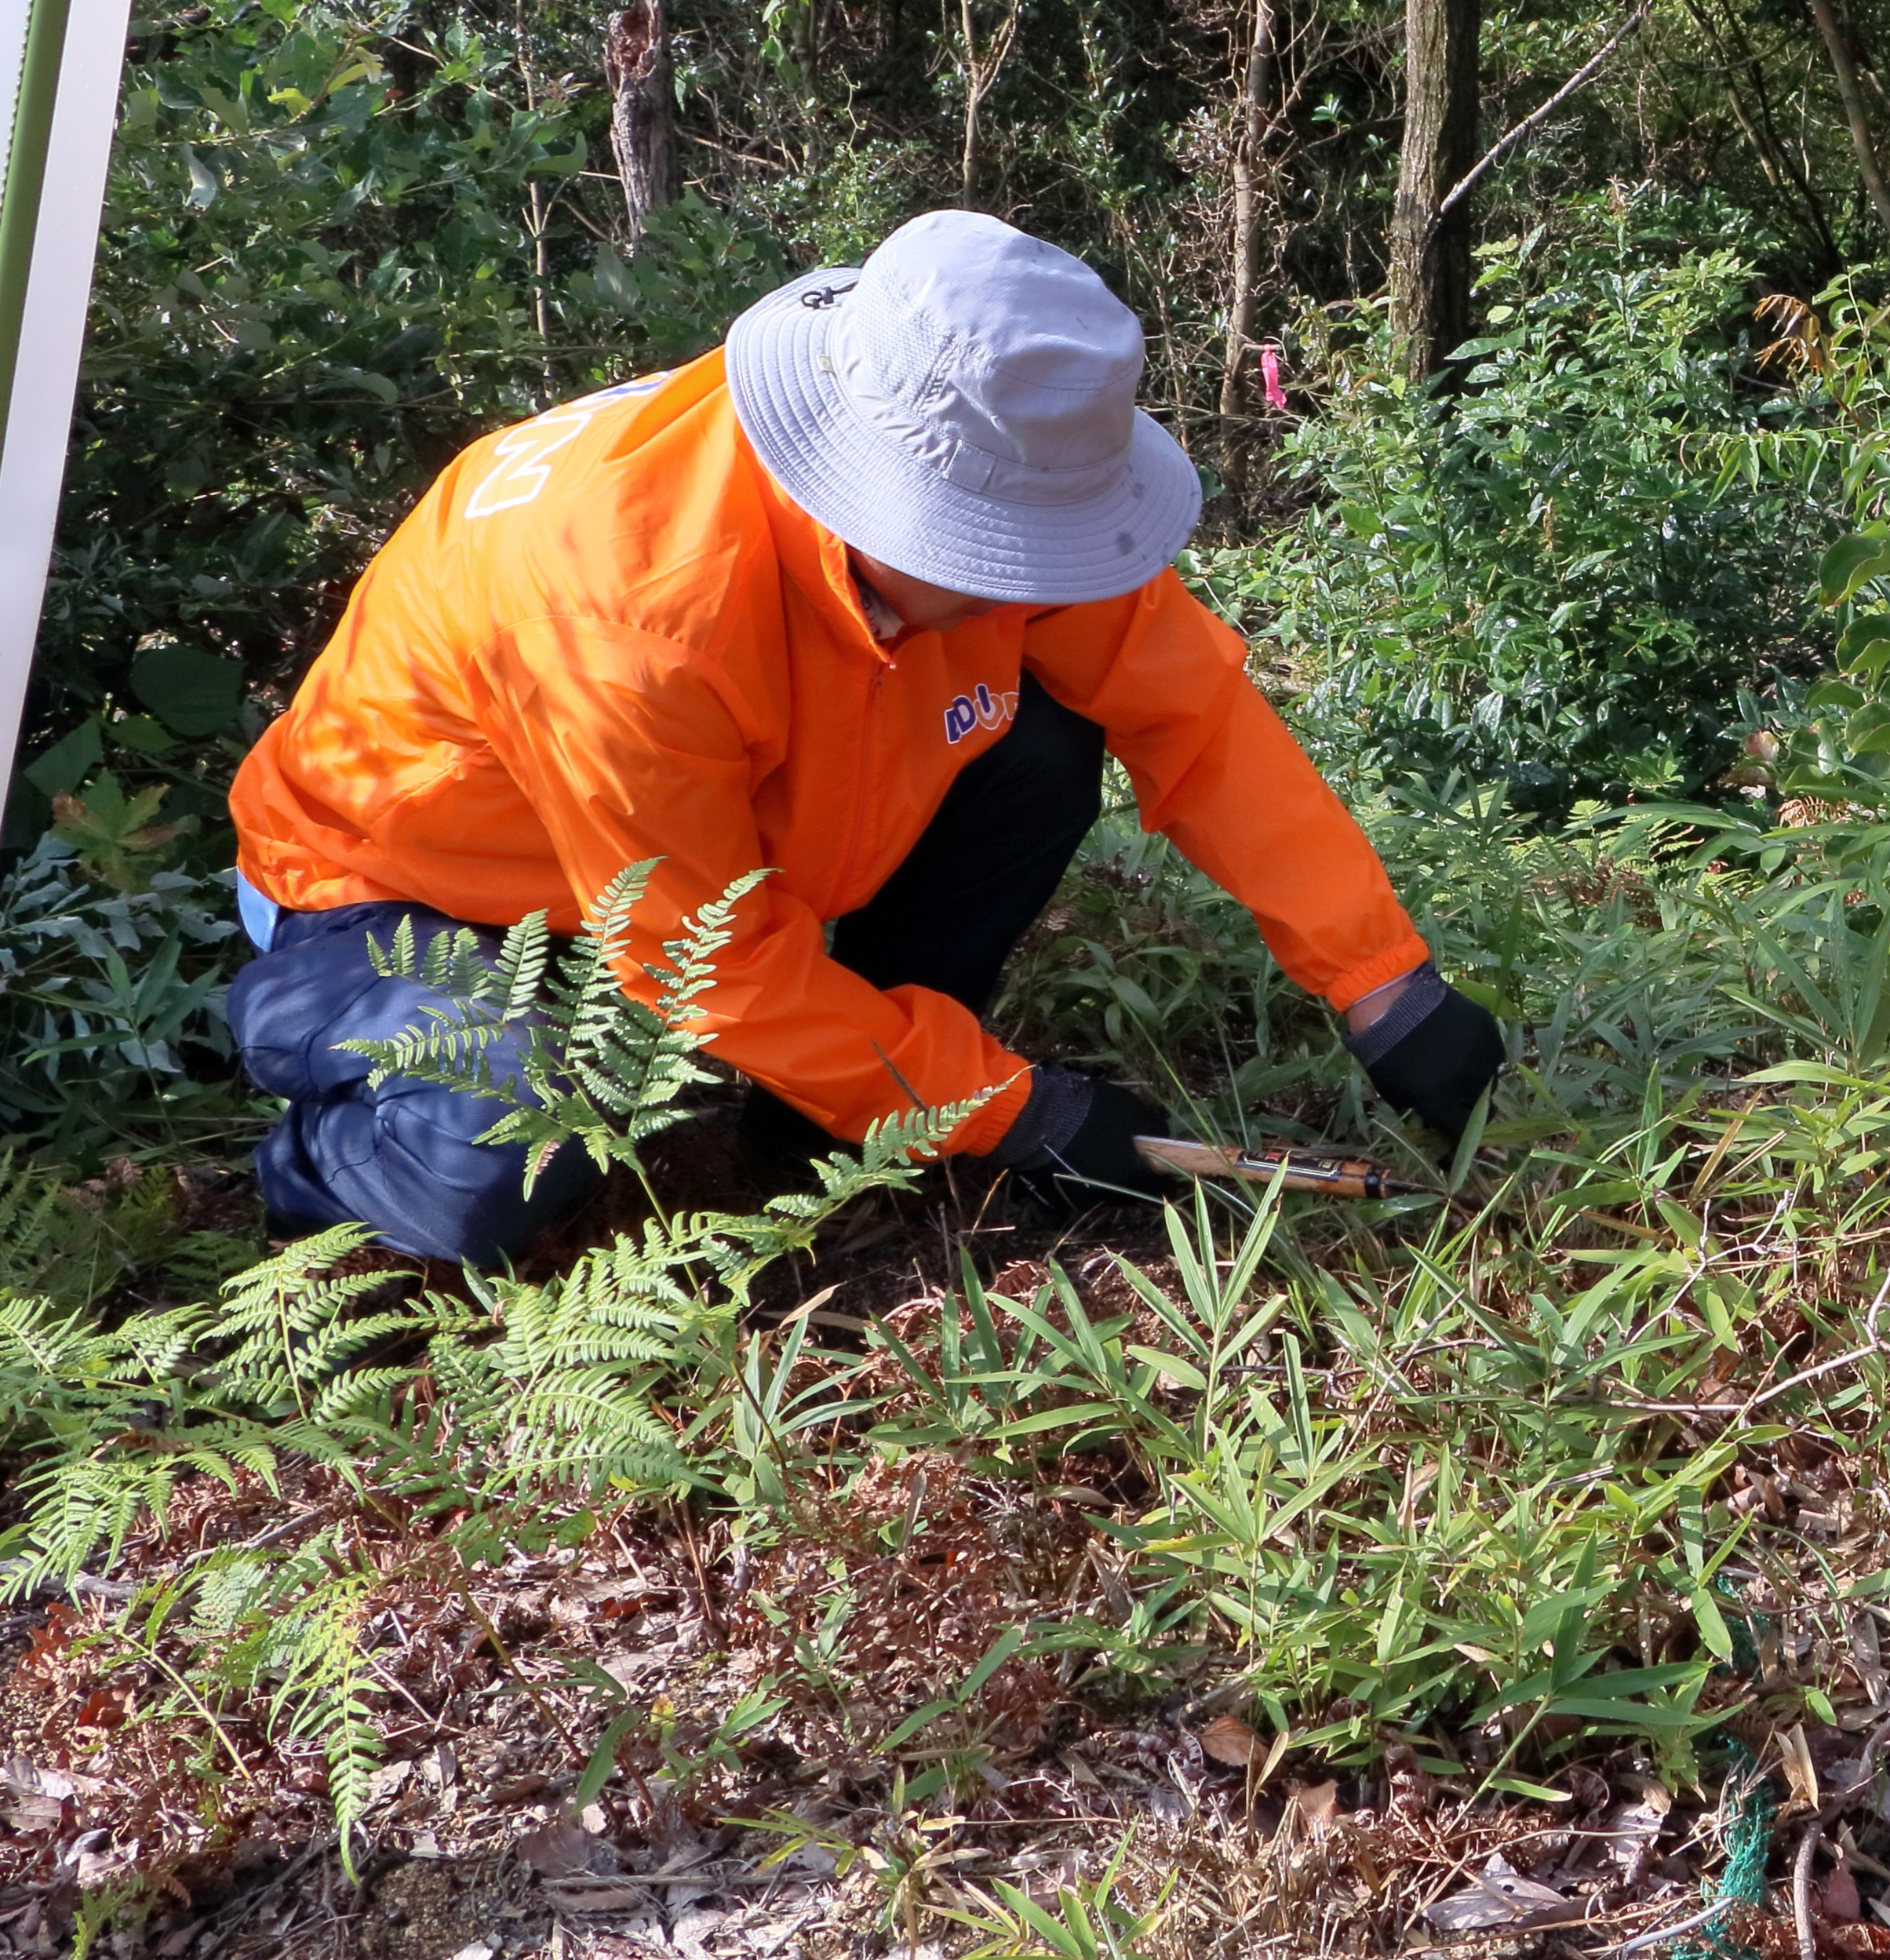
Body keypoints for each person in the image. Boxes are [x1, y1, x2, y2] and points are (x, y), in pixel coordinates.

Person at [226, 210, 1503, 1264]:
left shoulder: (1005, 441)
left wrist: (1382, 982)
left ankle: (830, 1113)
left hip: (700, 853)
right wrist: (1015, 1104)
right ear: (860, 483)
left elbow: (1197, 713)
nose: (1036, 585)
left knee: (1039, 751)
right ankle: (321, 1180)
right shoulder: (623, 610)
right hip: (393, 889)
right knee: (497, 1147)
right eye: (996, 556)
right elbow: (708, 960)